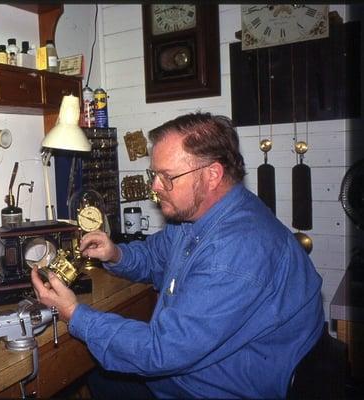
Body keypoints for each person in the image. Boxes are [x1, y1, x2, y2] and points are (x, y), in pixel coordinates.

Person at [31, 112, 325, 398]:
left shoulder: (237, 251)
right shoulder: (200, 216)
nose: (155, 188)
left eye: (167, 176)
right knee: (95, 373)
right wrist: (115, 253)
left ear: (212, 175)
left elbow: (159, 351)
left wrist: (74, 313)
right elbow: (157, 257)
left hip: (220, 386)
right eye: (154, 175)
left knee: (89, 371)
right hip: (200, 369)